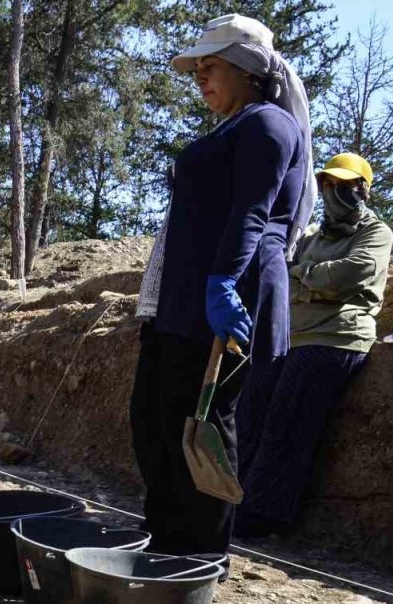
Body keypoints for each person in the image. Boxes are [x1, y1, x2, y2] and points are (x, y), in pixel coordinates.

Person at [130, 14, 314, 559]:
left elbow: (252, 213)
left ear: (247, 68)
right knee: (154, 419)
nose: (199, 78)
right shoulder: (233, 126)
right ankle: (165, 538)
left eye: (210, 66)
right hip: (182, 300)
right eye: (195, 70)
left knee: (202, 423)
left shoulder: (268, 125)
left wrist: (224, 284)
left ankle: (201, 555)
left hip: (223, 297)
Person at [235, 152, 393, 537]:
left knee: (286, 420)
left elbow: (350, 273)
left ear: (362, 190)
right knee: (250, 409)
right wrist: (311, 282)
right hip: (293, 336)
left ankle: (264, 514)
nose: (332, 192)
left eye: (342, 186)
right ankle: (228, 499)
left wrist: (303, 276)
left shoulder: (376, 233)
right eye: (327, 185)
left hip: (338, 338)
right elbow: (284, 277)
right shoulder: (311, 236)